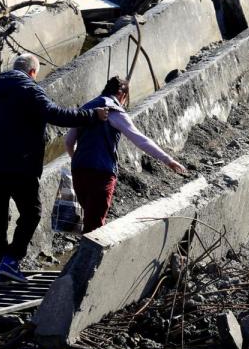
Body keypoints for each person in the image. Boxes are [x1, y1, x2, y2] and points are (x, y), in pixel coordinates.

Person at [0, 53, 109, 283]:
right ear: (32, 72)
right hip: (20, 166)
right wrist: (92, 115)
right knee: (32, 213)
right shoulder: (30, 89)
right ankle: (11, 259)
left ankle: (1, 266)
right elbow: (57, 115)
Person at [65, 76, 187, 233]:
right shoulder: (114, 112)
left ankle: (84, 246)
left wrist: (76, 161)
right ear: (122, 95)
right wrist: (168, 160)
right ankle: (88, 248)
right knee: (94, 227)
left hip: (79, 172)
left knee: (89, 219)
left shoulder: (86, 109)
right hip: (101, 175)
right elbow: (140, 140)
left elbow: (68, 142)